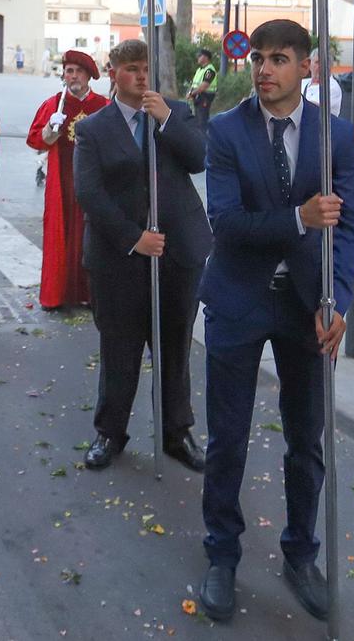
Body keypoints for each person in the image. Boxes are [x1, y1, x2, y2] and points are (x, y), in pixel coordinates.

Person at [196, 19, 354, 624]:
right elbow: (227, 221)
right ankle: (221, 555)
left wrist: (338, 299)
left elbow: (349, 226)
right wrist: (298, 218)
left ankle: (300, 553)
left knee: (306, 440)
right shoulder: (225, 131)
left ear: (306, 67)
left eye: (280, 59)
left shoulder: (335, 136)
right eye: (259, 59)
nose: (264, 69)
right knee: (228, 438)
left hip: (307, 306)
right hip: (240, 298)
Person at [72, 38, 210, 474]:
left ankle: (176, 431)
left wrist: (166, 118)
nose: (140, 76)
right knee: (120, 348)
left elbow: (198, 159)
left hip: (177, 255)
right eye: (131, 68)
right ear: (113, 72)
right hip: (120, 258)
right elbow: (89, 193)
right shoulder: (94, 128)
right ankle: (110, 431)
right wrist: (134, 238)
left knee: (174, 348)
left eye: (146, 69)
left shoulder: (176, 114)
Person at [26, 50, 109, 310]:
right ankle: (57, 295)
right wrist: (51, 129)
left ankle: (89, 293)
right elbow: (34, 139)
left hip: (94, 181)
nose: (73, 76)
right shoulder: (54, 105)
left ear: (88, 76)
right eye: (69, 71)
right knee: (59, 235)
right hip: (61, 181)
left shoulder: (103, 106)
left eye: (78, 72)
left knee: (91, 236)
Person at [300, 49, 343, 115]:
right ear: (309, 65)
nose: (321, 66)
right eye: (317, 62)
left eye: (324, 63)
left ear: (330, 66)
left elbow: (314, 108)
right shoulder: (302, 83)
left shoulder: (332, 87)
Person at [189, 48, 219, 125]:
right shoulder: (200, 70)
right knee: (198, 119)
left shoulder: (209, 70)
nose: (197, 57)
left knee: (202, 120)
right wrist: (191, 92)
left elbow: (204, 86)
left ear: (206, 58)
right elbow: (194, 84)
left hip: (205, 97)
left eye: (199, 55)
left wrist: (191, 93)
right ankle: (200, 135)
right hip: (198, 97)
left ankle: (203, 136)